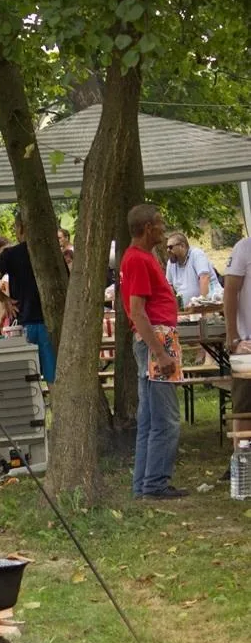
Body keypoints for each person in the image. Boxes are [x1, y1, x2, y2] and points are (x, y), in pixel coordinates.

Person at [120, 204, 187, 499]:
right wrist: (160, 353)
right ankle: (156, 484)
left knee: (149, 419)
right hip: (156, 339)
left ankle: (144, 485)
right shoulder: (137, 259)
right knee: (166, 419)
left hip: (156, 338)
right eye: (160, 223)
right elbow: (137, 311)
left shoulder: (142, 257)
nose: (163, 228)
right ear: (148, 228)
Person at [0, 211, 57, 384]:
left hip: (22, 323)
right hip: (50, 323)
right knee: (54, 380)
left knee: (27, 380)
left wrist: (4, 299)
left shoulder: (11, 254)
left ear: (20, 228)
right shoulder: (51, 253)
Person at [224, 234, 251, 435]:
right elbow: (230, 291)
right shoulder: (244, 247)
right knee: (243, 408)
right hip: (246, 342)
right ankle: (241, 461)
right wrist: (233, 336)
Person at [165, 232, 223, 306]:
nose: (168, 250)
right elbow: (169, 287)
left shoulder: (196, 254)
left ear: (182, 246)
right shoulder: (171, 263)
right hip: (189, 310)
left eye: (170, 247)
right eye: (166, 247)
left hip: (210, 304)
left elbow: (204, 277)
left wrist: (202, 304)